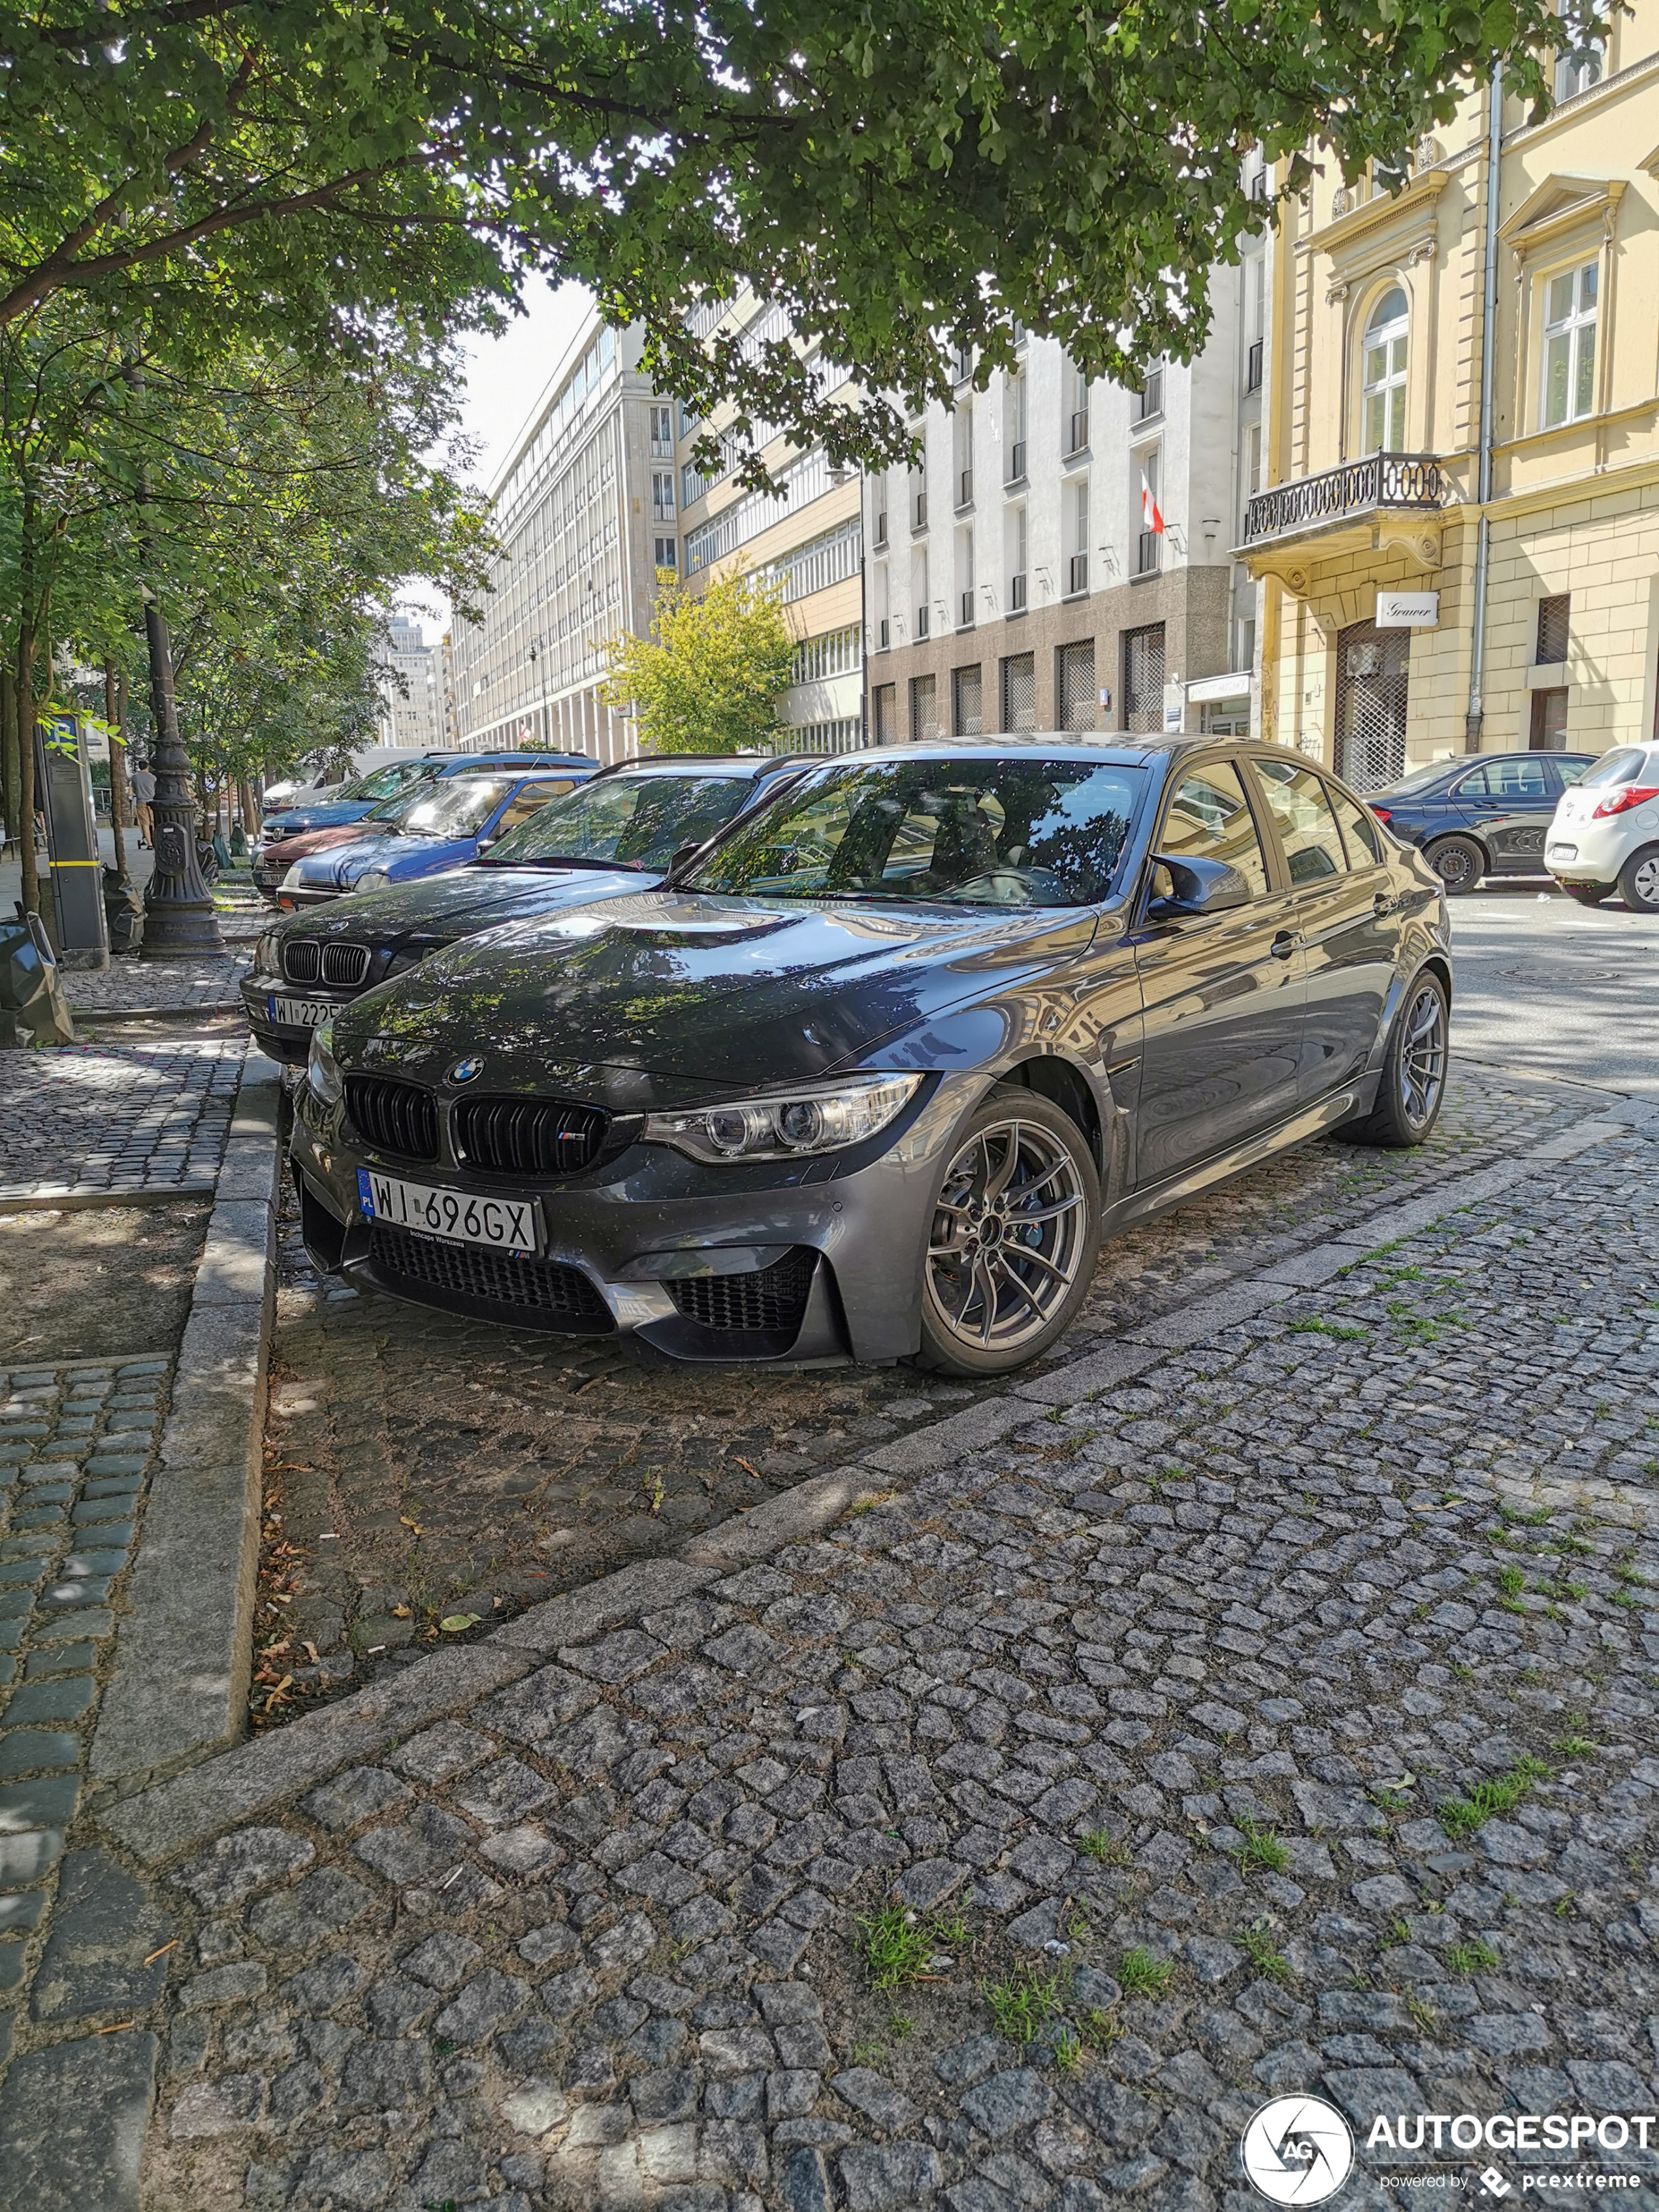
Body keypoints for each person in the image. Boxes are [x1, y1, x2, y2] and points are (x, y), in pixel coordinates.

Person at [129, 757, 156, 847]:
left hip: (141, 801)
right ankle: (157, 840)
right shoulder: (153, 777)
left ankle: (149, 843)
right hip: (152, 802)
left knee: (145, 824)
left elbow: (133, 789)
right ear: (147, 767)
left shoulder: (135, 777)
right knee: (154, 822)